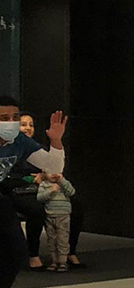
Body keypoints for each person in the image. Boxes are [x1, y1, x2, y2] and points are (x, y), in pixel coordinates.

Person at [0, 100, 67, 288]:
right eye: (4, 118)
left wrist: (56, 141)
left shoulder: (19, 141)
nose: (11, 123)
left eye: (14, 118)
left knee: (17, 251)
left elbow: (53, 168)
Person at [11, 112, 85, 270]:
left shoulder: (38, 149)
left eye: (31, 125)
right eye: (23, 124)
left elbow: (54, 167)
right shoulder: (12, 148)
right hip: (21, 191)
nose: (28, 128)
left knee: (77, 205)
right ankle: (33, 255)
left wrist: (56, 142)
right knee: (36, 209)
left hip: (47, 188)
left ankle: (68, 252)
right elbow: (10, 175)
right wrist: (32, 179)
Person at [36, 171, 76, 272]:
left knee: (62, 238)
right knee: (52, 239)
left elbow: (71, 192)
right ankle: (54, 261)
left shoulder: (63, 183)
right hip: (50, 215)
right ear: (44, 174)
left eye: (57, 171)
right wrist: (50, 191)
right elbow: (40, 198)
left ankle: (63, 261)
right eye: (50, 172)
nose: (54, 174)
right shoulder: (44, 185)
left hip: (63, 215)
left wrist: (62, 180)